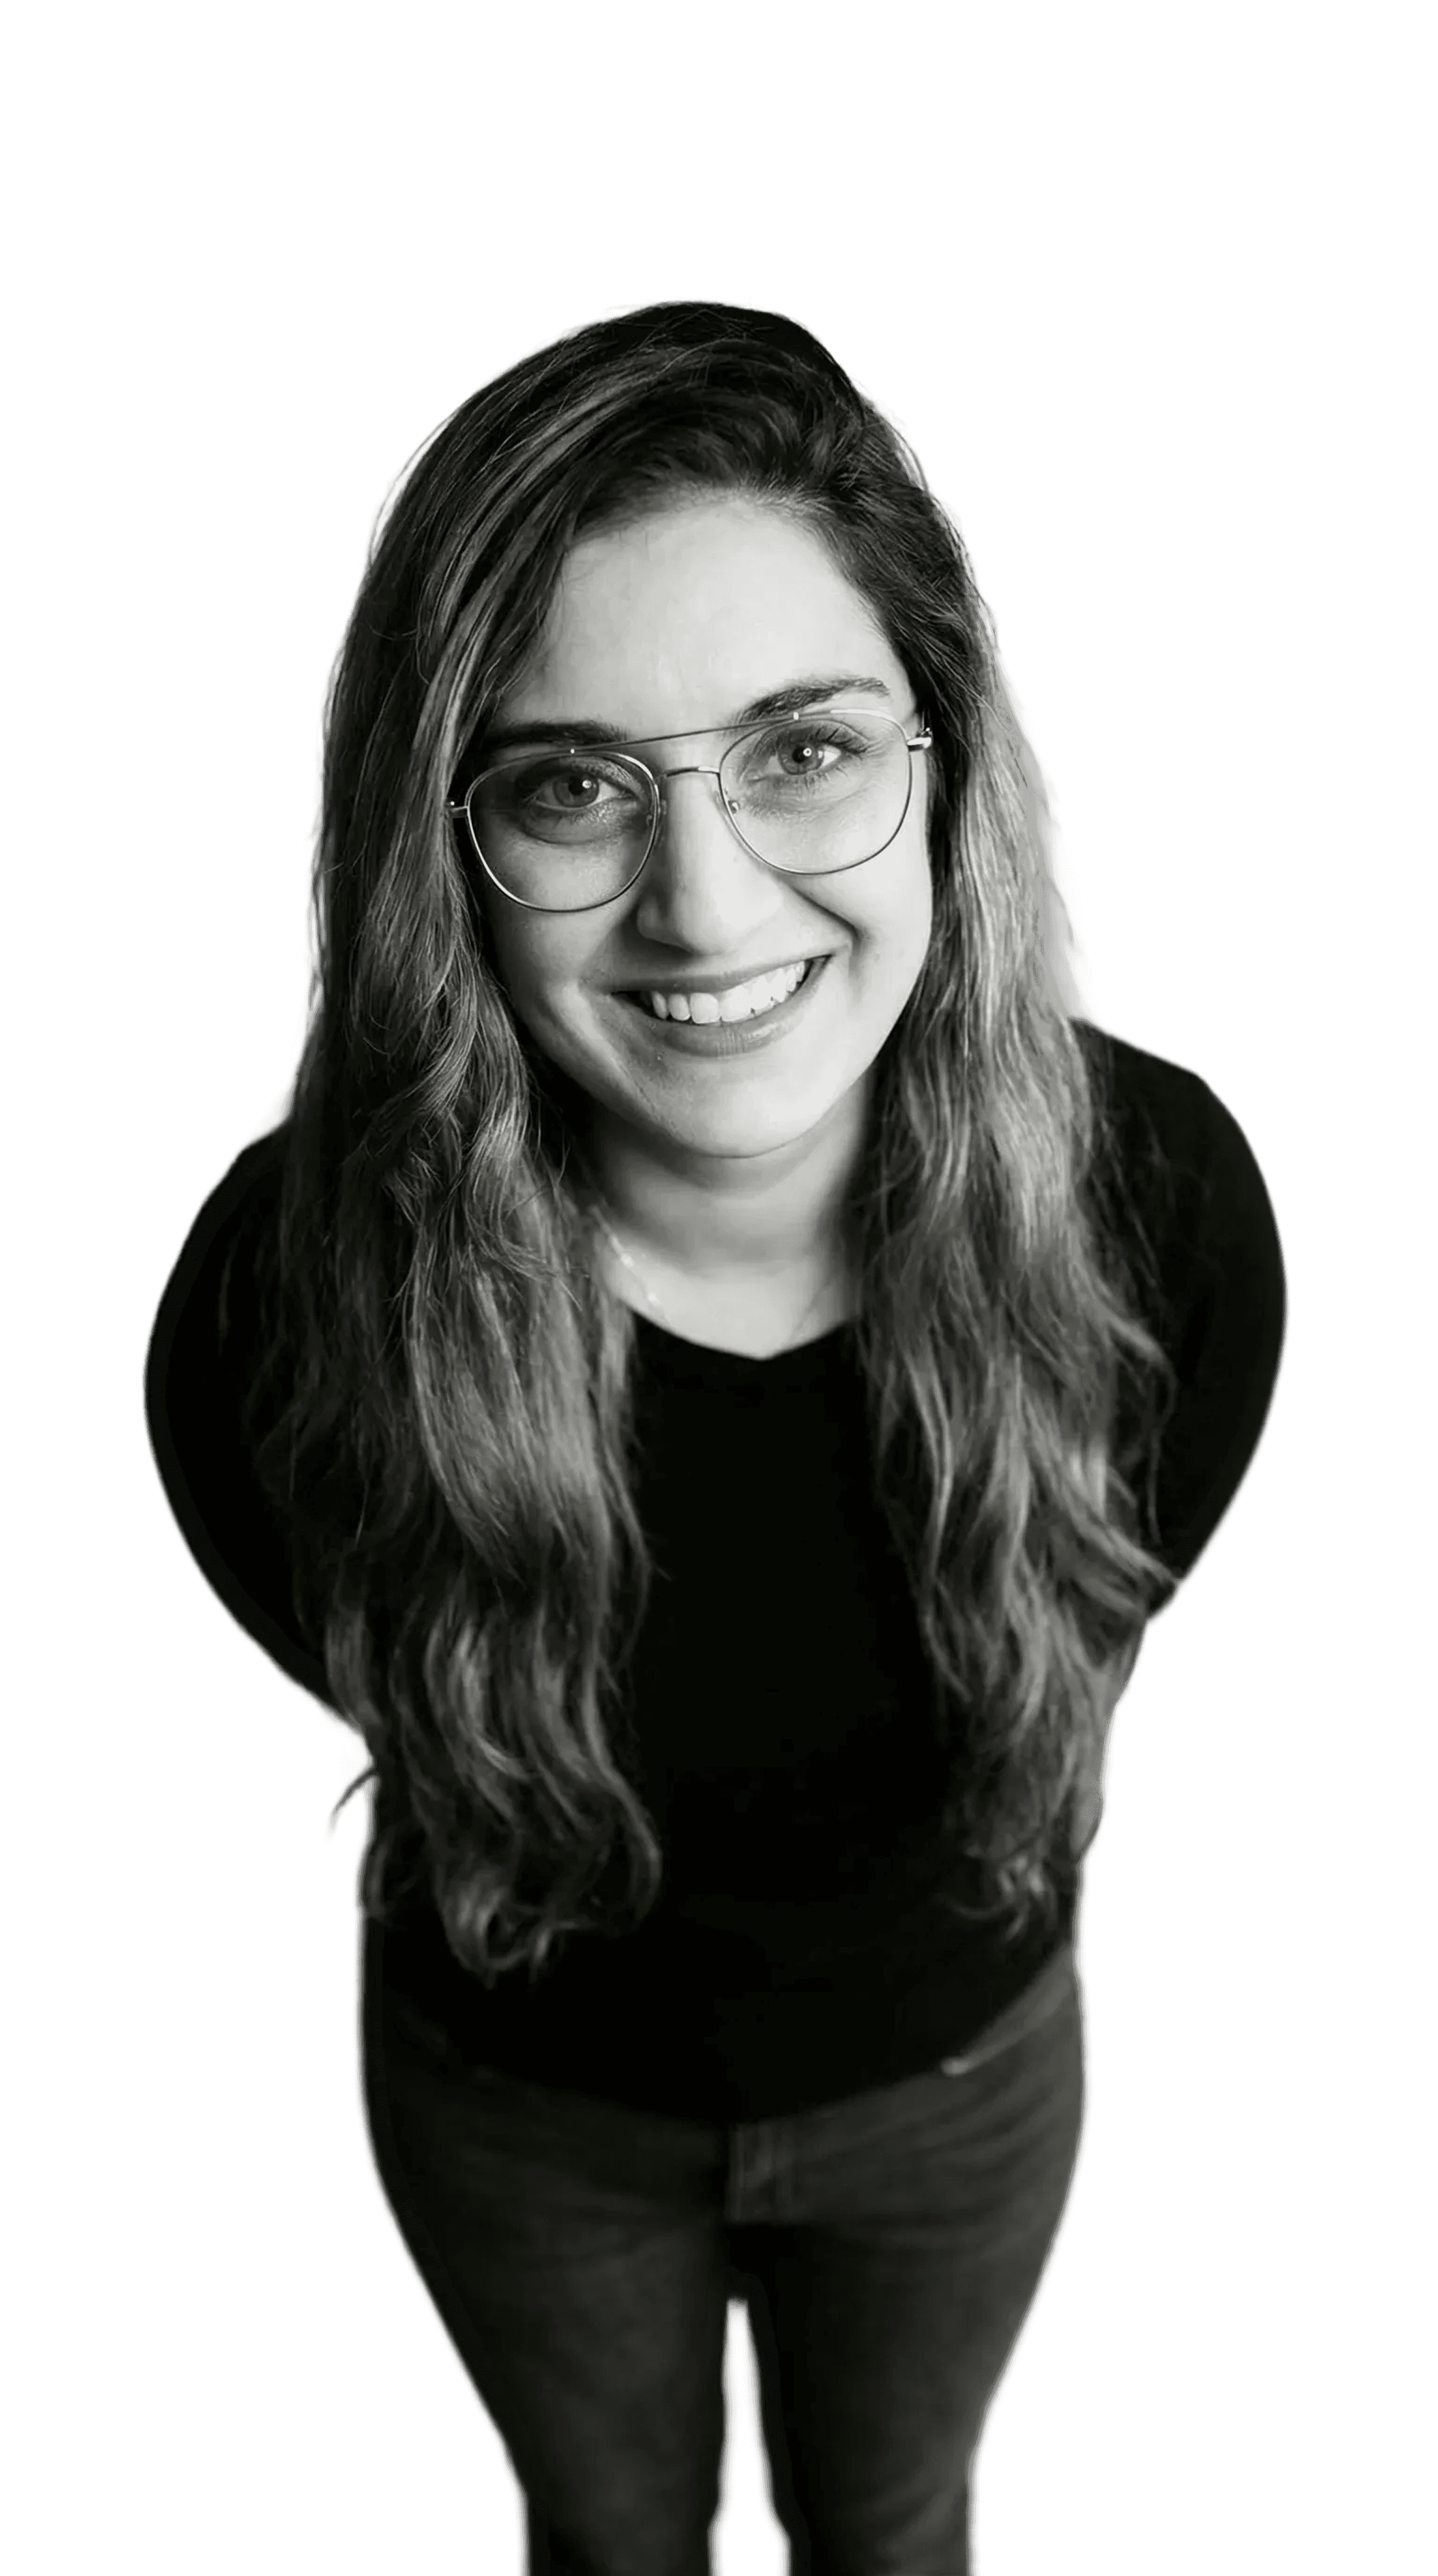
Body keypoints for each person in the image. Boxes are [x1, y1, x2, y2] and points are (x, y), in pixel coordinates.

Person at [143, 300, 1288, 2576]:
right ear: (440, 858)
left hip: (966, 2083)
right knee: (606, 2543)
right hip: (520, 2113)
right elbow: (328, 1618)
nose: (704, 903)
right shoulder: (290, 1300)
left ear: (953, 761)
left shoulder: (1164, 1214)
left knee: (903, 2533)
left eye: (801, 747)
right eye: (570, 784)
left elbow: (1119, 1584)